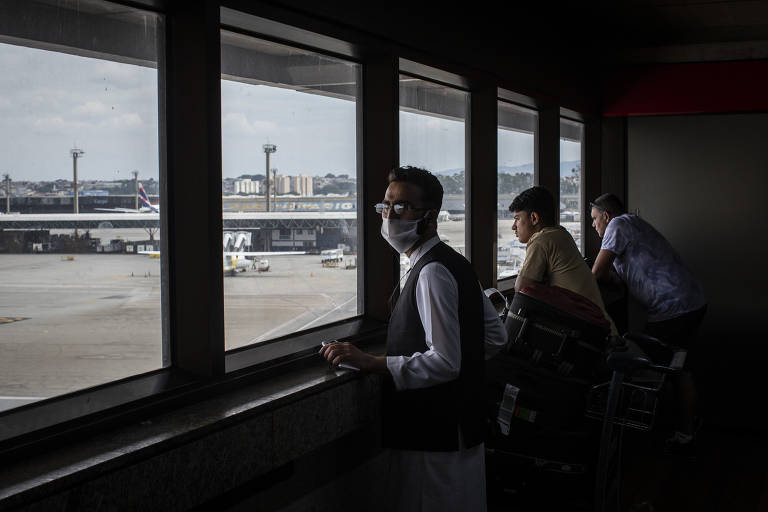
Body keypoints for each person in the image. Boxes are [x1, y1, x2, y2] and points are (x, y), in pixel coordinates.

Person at [320, 166, 507, 512]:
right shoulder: (454, 262)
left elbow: (445, 362)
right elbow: (496, 336)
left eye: (402, 206)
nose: (390, 215)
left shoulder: (431, 272)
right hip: (462, 425)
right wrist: (463, 364)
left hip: (433, 432)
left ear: (429, 217)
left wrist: (371, 362)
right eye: (386, 206)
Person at [590, 193, 707, 450]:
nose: (593, 225)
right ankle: (686, 430)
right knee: (679, 367)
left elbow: (595, 274)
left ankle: (651, 435)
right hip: (689, 302)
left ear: (606, 216)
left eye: (595, 219)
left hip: (674, 308)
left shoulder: (617, 225)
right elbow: (622, 279)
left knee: (647, 367)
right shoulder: (633, 224)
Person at [509, 186, 616, 332]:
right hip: (602, 327)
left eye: (517, 219)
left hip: (590, 334)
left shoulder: (542, 240)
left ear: (534, 218)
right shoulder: (561, 233)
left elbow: (521, 290)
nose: (513, 227)